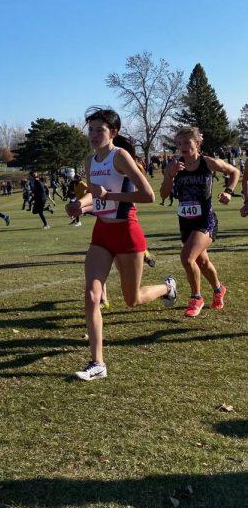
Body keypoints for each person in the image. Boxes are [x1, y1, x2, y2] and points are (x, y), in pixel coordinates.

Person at [66, 108, 177, 381]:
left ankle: (167, 287)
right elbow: (95, 198)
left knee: (132, 299)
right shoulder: (90, 161)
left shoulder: (121, 157)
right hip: (102, 234)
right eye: (90, 130)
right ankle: (97, 363)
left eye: (99, 130)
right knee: (92, 295)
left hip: (128, 234)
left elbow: (148, 196)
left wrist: (109, 193)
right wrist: (78, 205)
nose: (93, 135)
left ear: (112, 133)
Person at [160, 127, 240, 317]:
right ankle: (219, 289)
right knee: (202, 262)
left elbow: (234, 171)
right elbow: (163, 195)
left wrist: (228, 191)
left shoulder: (208, 163)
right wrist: (169, 176)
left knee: (187, 258)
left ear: (197, 143)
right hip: (186, 222)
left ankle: (196, 298)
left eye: (187, 142)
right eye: (179, 144)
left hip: (206, 220)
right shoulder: (174, 166)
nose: (182, 147)